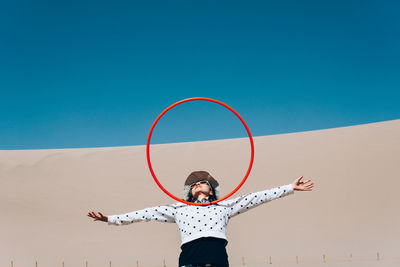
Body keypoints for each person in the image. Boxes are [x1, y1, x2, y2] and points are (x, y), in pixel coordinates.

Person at [88, 171, 314, 267]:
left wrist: (289, 188)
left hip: (217, 257)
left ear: (212, 189)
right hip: (189, 258)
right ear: (189, 191)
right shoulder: (178, 208)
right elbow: (145, 213)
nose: (198, 183)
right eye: (194, 183)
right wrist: (110, 219)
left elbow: (256, 198)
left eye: (203, 181)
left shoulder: (225, 205)